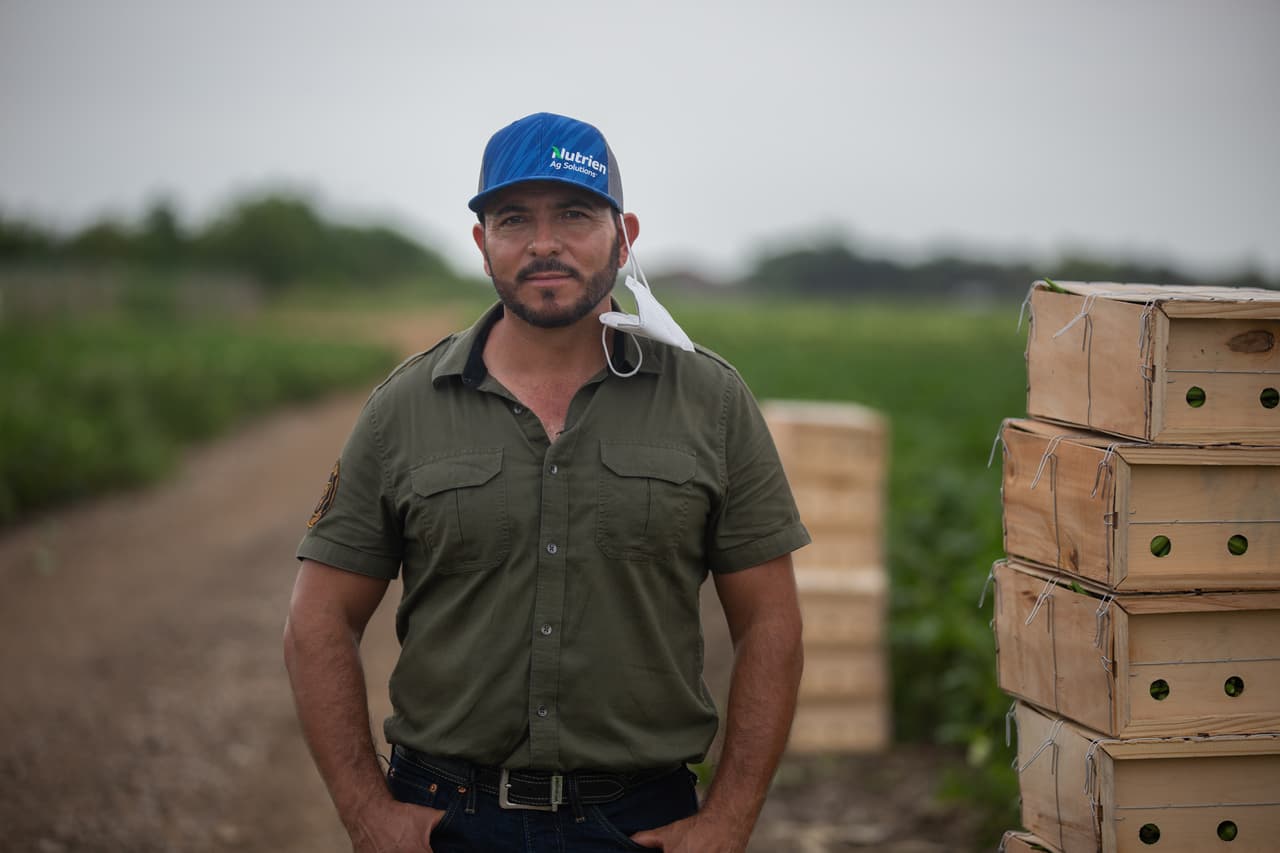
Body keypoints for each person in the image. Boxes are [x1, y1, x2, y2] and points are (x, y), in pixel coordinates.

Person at [284, 111, 810, 853]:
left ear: (624, 234)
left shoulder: (711, 403)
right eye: (512, 219)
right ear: (481, 242)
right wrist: (366, 811)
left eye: (573, 214)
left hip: (638, 821)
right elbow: (317, 620)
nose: (543, 243)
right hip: (446, 818)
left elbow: (771, 624)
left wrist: (729, 818)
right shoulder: (402, 409)